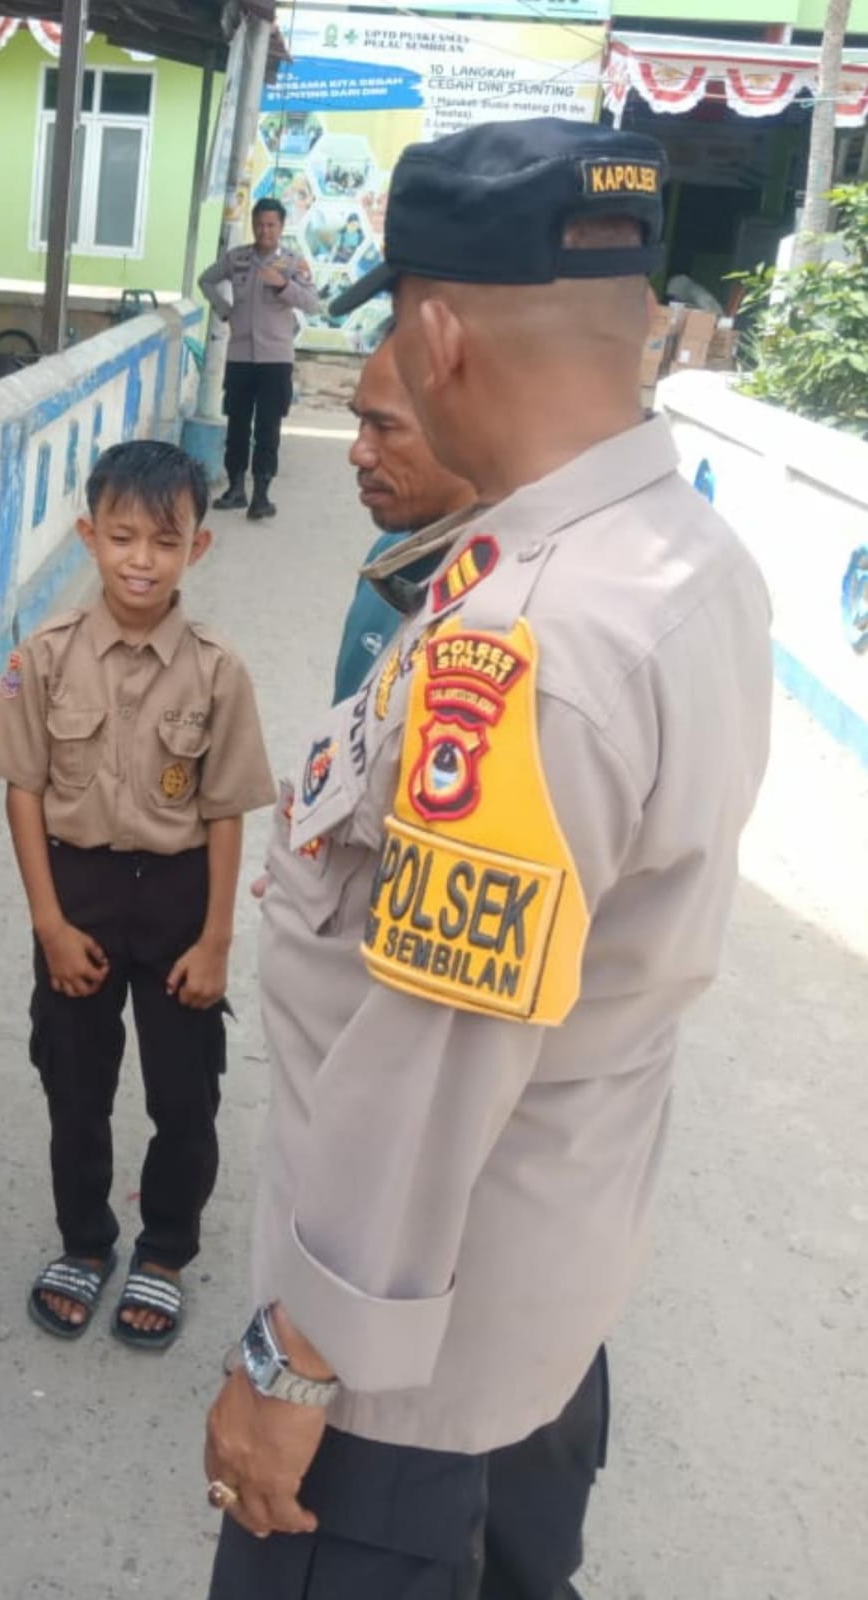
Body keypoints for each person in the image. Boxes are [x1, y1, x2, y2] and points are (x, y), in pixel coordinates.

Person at [203, 117, 772, 1597]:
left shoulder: (530, 643)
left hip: (408, 1369)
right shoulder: (682, 555)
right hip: (543, 1280)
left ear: (439, 334)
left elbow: (437, 1053)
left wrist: (295, 1361)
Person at [0, 439, 276, 1349]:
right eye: (121, 537)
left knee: (184, 1094)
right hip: (77, 894)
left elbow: (224, 811)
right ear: (88, 537)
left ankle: (164, 1251)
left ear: (198, 547)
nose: (141, 559)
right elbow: (23, 792)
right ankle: (84, 1240)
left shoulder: (218, 670)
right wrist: (48, 924)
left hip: (179, 899)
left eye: (164, 539)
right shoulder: (45, 657)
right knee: (74, 1084)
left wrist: (216, 941)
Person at [332, 332, 476, 704]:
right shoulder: (388, 560)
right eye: (360, 424)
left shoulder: (511, 610)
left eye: (384, 427)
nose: (359, 453)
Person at [198, 197, 322, 521]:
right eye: (259, 224)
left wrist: (283, 285)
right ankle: (235, 489)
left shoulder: (293, 263)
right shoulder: (237, 259)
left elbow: (312, 303)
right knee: (237, 424)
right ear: (253, 225)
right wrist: (224, 309)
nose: (264, 230)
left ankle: (261, 495)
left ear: (281, 227)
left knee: (268, 427)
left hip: (275, 360)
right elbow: (206, 280)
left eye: (271, 225)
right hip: (240, 355)